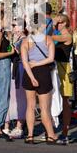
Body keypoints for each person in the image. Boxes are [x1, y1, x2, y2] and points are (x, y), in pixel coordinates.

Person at [21, 14, 62, 145]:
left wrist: (32, 76)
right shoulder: (48, 39)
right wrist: (38, 64)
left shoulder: (26, 41)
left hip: (29, 73)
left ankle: (30, 135)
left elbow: (25, 62)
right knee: (45, 108)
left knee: (30, 106)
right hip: (43, 72)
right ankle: (51, 135)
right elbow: (50, 59)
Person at [0, 10, 15, 142]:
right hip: (2, 64)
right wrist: (10, 53)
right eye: (7, 18)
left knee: (2, 95)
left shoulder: (0, 33)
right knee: (2, 97)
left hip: (0, 65)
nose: (10, 21)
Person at [3, 20, 27, 139]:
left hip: (20, 69)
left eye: (14, 25)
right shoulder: (16, 39)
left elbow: (21, 53)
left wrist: (13, 47)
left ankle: (19, 126)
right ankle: (7, 125)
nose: (12, 28)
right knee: (11, 96)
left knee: (19, 97)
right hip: (14, 68)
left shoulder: (24, 39)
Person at [52, 14, 73, 144]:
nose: (57, 25)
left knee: (65, 101)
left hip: (64, 69)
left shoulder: (67, 36)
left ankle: (65, 131)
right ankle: (52, 129)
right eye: (56, 23)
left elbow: (50, 37)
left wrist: (52, 25)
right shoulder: (58, 35)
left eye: (59, 23)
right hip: (55, 68)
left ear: (64, 23)